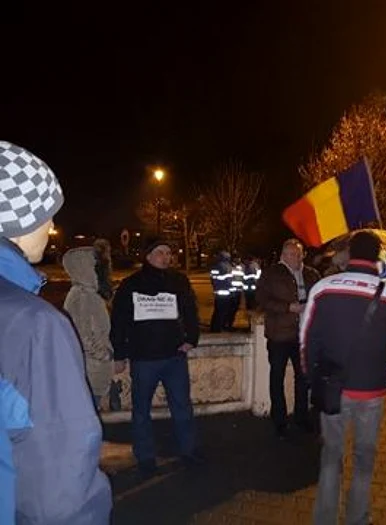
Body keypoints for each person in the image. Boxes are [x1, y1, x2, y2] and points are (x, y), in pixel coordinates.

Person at [0, 141, 111, 523]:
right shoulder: (33, 324)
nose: (50, 226)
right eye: (45, 215)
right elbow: (61, 478)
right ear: (14, 218)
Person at [301, 231, 386, 525]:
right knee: (363, 458)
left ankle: (324, 519)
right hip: (371, 390)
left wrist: (312, 377)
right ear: (376, 256)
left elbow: (307, 337)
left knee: (331, 456)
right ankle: (357, 518)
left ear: (349, 254)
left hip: (332, 387)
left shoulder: (323, 288)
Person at [110, 237, 202, 478]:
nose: (166, 256)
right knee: (141, 411)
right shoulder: (131, 284)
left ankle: (188, 451)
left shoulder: (178, 281)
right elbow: (119, 320)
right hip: (143, 359)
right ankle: (145, 456)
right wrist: (119, 353)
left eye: (168, 252)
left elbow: (191, 311)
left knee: (182, 407)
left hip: (174, 357)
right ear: (148, 256)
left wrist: (191, 339)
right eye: (160, 252)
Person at [257, 238, 321, 438]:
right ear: (283, 255)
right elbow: (261, 300)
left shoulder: (312, 274)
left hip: (303, 334)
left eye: (298, 253)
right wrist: (288, 308)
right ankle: (279, 420)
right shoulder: (271, 273)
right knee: (277, 376)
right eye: (291, 254)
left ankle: (301, 417)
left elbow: (320, 298)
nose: (296, 257)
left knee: (303, 378)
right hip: (279, 334)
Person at [62, 247, 114, 410]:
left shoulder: (89, 294)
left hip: (91, 370)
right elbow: (80, 336)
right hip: (89, 371)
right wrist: (105, 355)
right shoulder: (82, 296)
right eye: (98, 267)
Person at [209, 250, 235, 332]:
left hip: (219, 292)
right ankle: (219, 327)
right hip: (226, 293)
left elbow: (213, 279)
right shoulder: (228, 266)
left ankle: (215, 327)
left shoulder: (216, 266)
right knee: (223, 311)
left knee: (218, 311)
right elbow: (229, 280)